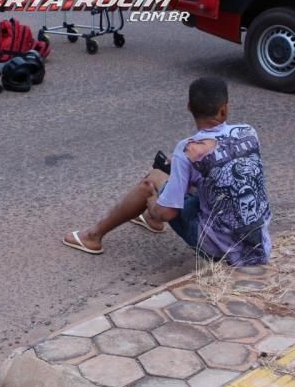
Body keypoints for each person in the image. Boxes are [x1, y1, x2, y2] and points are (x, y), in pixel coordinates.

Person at [63, 77, 272, 267]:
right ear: (225, 109)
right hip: (258, 244)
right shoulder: (248, 132)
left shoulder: (188, 150)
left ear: (189, 107)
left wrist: (154, 205)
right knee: (191, 173)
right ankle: (149, 217)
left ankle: (94, 236)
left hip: (219, 249)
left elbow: (167, 214)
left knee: (151, 183)